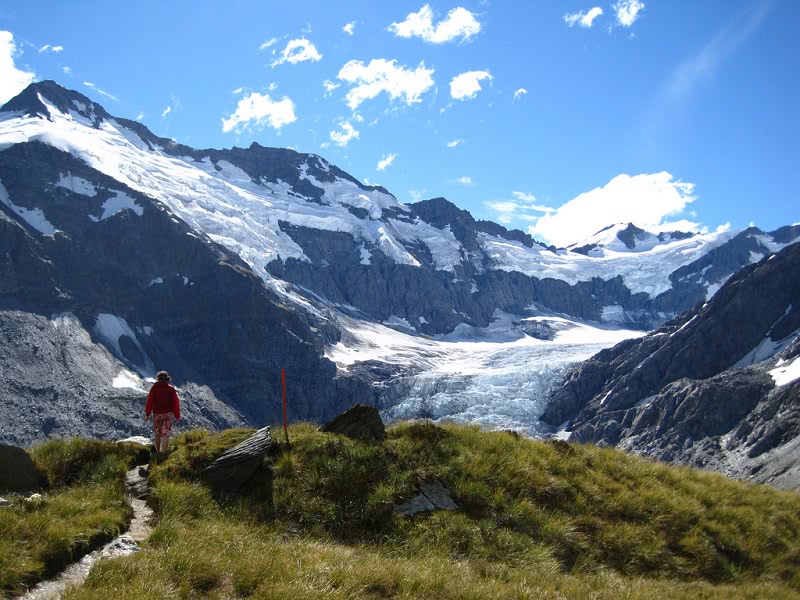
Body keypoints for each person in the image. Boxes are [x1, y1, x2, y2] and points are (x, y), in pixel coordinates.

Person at [145, 370, 181, 453]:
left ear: (158, 379)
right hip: (168, 414)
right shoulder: (171, 389)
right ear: (167, 379)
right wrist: (177, 416)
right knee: (165, 433)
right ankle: (164, 452)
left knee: (157, 433)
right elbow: (175, 403)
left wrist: (147, 414)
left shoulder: (154, 388)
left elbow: (149, 401)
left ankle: (158, 452)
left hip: (157, 414)